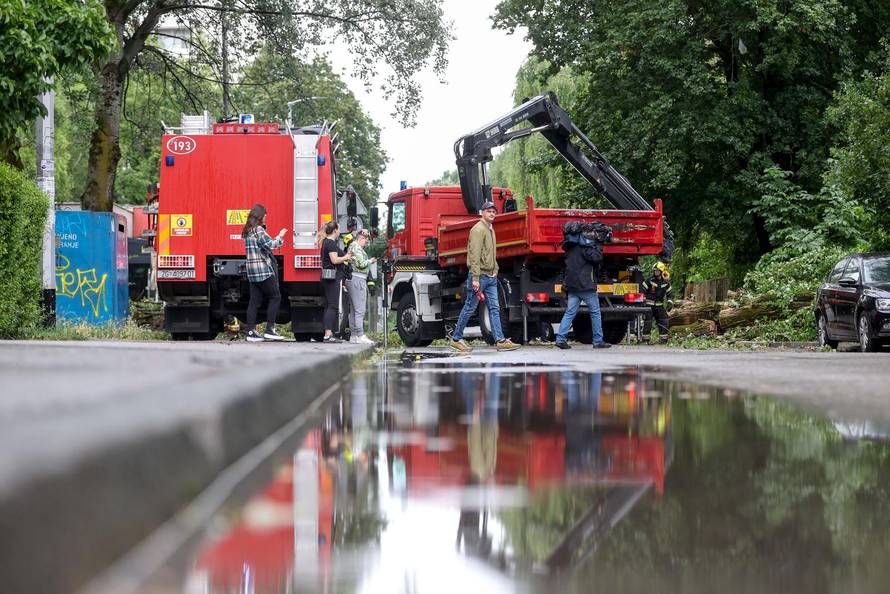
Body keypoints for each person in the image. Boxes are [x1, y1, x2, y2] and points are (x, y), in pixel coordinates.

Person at [448, 201, 520, 352]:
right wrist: (475, 278)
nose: (492, 213)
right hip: (479, 277)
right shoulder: (478, 230)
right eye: (489, 211)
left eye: (494, 211)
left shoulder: (490, 229)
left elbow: (491, 253)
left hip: (491, 277)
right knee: (469, 307)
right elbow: (474, 255)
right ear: (482, 212)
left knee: (495, 308)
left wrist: (496, 269)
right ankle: (456, 338)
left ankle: (500, 340)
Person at [554, 221, 611, 349]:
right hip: (586, 286)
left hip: (572, 286)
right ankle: (598, 341)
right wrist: (598, 245)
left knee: (570, 313)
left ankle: (560, 339)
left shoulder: (568, 248)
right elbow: (597, 258)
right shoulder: (585, 248)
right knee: (595, 312)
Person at [241, 203, 287, 342]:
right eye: (265, 216)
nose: (266, 218)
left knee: (254, 301)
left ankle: (250, 331)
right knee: (275, 296)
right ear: (261, 216)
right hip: (262, 270)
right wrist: (280, 236)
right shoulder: (258, 230)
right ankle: (270, 329)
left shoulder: (247, 231)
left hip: (251, 271)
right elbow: (272, 245)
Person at [319, 221, 353, 343]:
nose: (339, 231)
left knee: (329, 305)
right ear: (335, 231)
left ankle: (327, 333)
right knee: (332, 305)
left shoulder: (325, 242)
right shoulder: (331, 243)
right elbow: (334, 260)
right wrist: (346, 257)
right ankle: (328, 334)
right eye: (338, 229)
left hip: (328, 278)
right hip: (332, 278)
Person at [347, 229, 377, 344]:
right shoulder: (357, 248)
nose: (366, 243)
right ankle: (360, 335)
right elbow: (360, 264)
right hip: (358, 279)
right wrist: (370, 261)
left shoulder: (352, 246)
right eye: (366, 240)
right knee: (360, 309)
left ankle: (354, 335)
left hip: (352, 279)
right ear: (361, 239)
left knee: (353, 309)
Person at [642, 261, 673, 343]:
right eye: (654, 270)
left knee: (664, 320)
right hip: (649, 304)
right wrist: (643, 300)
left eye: (657, 270)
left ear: (662, 271)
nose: (655, 272)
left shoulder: (665, 282)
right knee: (647, 322)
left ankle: (663, 340)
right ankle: (645, 340)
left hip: (659, 305)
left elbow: (670, 294)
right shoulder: (649, 280)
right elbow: (642, 290)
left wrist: (670, 303)